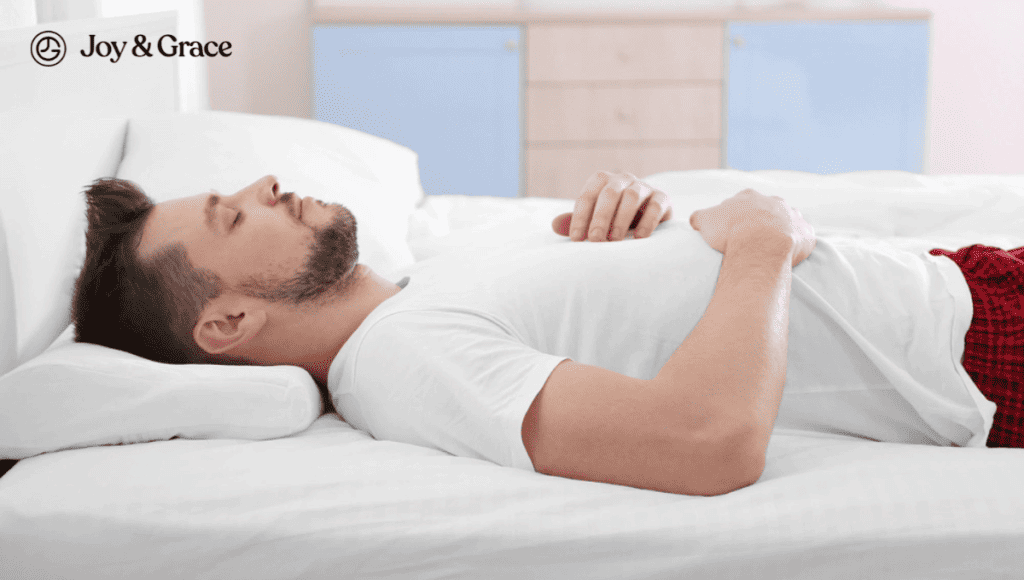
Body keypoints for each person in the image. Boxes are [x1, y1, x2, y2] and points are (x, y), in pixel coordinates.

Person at [72, 171, 1022, 497]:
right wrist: (763, 243)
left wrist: (644, 223)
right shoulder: (402, 360)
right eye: (233, 217)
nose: (265, 185)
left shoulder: (420, 290)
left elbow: (618, 313)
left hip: (956, 277)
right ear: (228, 321)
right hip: (974, 347)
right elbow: (705, 442)